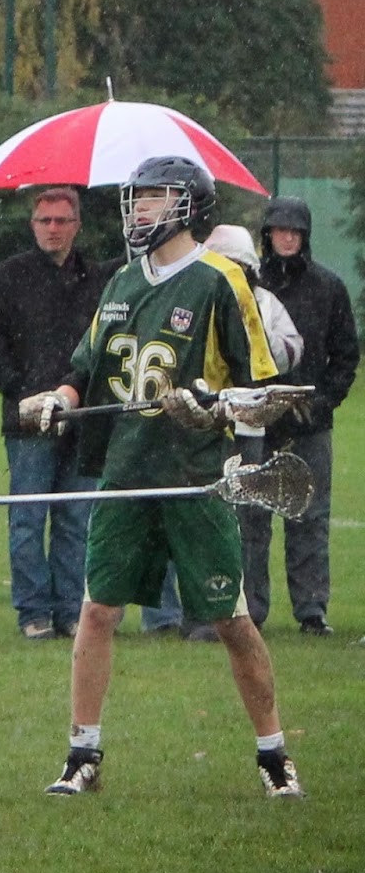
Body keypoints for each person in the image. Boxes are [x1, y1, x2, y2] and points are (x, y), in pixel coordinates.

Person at [20, 156, 304, 800]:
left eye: (154, 197)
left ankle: (274, 756)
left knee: (231, 619)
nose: (140, 209)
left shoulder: (220, 280)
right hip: (126, 474)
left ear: (189, 206)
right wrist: (58, 399)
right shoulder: (122, 282)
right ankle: (82, 755)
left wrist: (210, 407)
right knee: (98, 610)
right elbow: (87, 367)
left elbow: (263, 393)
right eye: (138, 197)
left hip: (193, 478)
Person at [0, 188, 119, 640]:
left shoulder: (98, 278)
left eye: (61, 220)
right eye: (44, 221)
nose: (53, 229)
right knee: (27, 519)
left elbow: (107, 341)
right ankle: (33, 612)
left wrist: (79, 390)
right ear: (33, 225)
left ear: (77, 225)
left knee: (77, 520)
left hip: (82, 417)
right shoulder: (8, 277)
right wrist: (22, 392)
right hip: (28, 421)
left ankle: (71, 612)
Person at [177, 225, 304, 642]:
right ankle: (201, 613)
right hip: (201, 429)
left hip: (248, 429)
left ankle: (252, 609)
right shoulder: (194, 301)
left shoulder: (263, 304)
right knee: (201, 520)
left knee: (251, 520)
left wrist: (254, 338)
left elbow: (289, 351)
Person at [247, 197, 358, 637]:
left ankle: (311, 610)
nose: (288, 237)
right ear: (268, 235)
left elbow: (345, 356)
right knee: (252, 518)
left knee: (309, 517)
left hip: (311, 424)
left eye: (295, 231)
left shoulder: (328, 287)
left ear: (305, 236)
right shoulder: (249, 285)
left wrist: (321, 404)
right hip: (257, 421)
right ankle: (251, 610)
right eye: (280, 230)